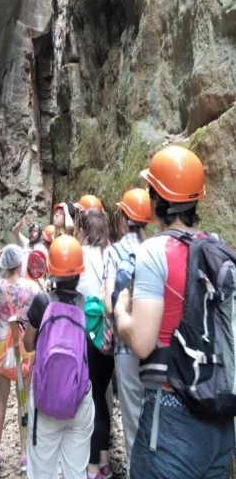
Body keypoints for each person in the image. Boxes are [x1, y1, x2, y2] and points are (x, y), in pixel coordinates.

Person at [114, 146, 235, 478]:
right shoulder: (216, 246)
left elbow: (141, 342)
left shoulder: (154, 251)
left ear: (156, 203)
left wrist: (121, 312)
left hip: (171, 417)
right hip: (219, 419)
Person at [24, 235, 95, 479]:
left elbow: (28, 344)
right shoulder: (86, 304)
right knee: (77, 471)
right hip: (79, 398)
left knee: (42, 469)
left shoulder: (42, 301)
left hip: (46, 398)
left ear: (51, 271)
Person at [104, 188, 153, 467]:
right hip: (156, 347)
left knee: (132, 416)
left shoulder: (115, 251)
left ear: (124, 218)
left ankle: (138, 470)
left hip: (125, 346)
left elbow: (110, 307)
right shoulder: (154, 248)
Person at [0, 244, 39, 472]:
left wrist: (0, 253)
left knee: (0, 398)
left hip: (2, 343)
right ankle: (25, 455)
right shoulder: (33, 288)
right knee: (23, 399)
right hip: (25, 344)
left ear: (6, 264)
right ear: (20, 264)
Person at [77, 209, 113, 479]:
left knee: (92, 399)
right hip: (108, 336)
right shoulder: (111, 254)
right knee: (101, 395)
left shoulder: (81, 255)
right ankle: (104, 460)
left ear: (85, 229)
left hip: (86, 333)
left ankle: (91, 467)